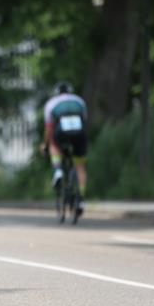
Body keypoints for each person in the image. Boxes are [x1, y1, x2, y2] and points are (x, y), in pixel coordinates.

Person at [41, 81, 88, 215]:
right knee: (80, 166)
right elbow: (84, 121)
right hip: (79, 134)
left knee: (53, 145)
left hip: (61, 133)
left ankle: (58, 171)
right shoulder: (79, 101)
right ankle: (81, 199)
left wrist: (45, 144)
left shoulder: (51, 103)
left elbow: (49, 128)